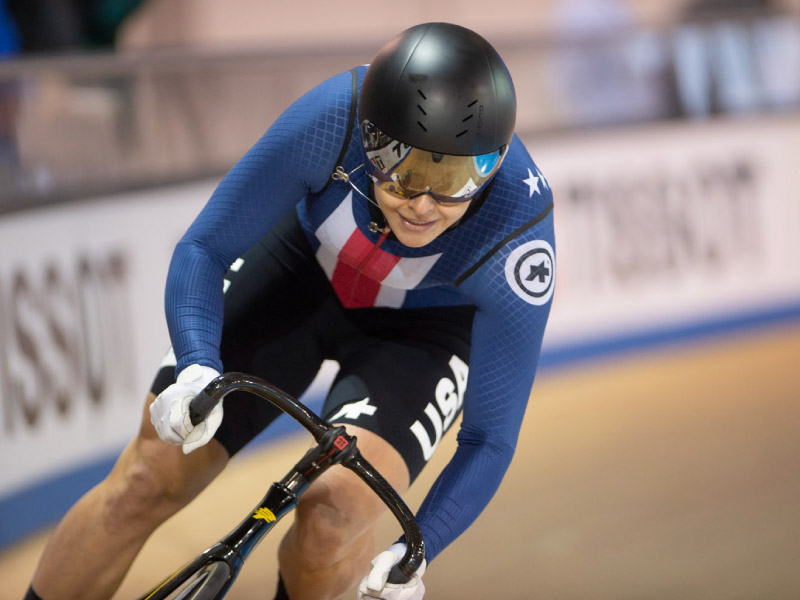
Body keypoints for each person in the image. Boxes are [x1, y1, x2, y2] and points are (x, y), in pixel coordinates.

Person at [23, 21, 555, 600]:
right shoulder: (334, 116)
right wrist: (199, 362)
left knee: (334, 519)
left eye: (453, 178)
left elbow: (489, 439)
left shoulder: (519, 232)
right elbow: (203, 247)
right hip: (299, 270)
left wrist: (419, 544)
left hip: (423, 332)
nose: (422, 205)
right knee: (149, 478)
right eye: (402, 171)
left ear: (494, 164)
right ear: (370, 139)